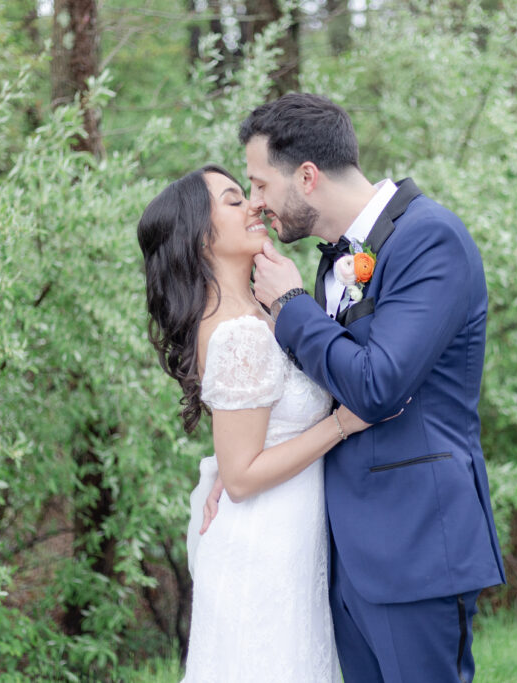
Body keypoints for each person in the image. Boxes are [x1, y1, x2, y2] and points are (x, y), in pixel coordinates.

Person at [243, 93, 506, 683]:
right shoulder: (336, 259)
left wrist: (291, 306)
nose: (257, 205)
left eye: (260, 185)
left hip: (415, 545)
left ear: (306, 176)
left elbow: (378, 385)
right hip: (345, 555)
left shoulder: (430, 238)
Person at [136, 164, 370, 682]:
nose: (254, 207)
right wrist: (340, 426)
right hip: (264, 551)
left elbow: (246, 445)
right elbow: (242, 478)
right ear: (200, 236)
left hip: (290, 540)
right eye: (234, 200)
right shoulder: (238, 331)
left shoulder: (260, 311)